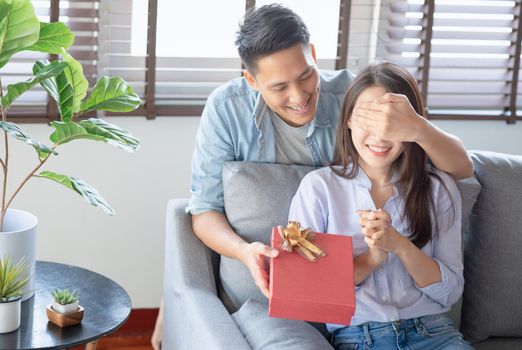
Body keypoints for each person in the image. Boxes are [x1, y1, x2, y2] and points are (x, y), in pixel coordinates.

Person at [151, 5, 473, 349]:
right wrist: (245, 253)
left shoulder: (355, 95)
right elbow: (203, 211)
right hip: (298, 281)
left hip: (419, 320)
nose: (299, 96)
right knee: (180, 308)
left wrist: (417, 127)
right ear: (251, 80)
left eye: (306, 75)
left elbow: (461, 168)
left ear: (314, 55)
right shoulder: (227, 109)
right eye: (279, 87)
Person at [288, 61, 473, 349]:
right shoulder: (319, 189)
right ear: (348, 119)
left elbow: (450, 293)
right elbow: (309, 290)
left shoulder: (438, 188)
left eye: (390, 122)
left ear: (410, 127)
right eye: (367, 118)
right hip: (359, 338)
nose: (379, 135)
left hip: (435, 334)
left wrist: (399, 245)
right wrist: (373, 257)